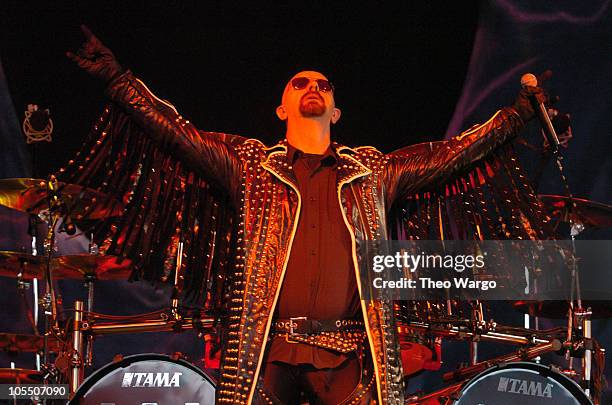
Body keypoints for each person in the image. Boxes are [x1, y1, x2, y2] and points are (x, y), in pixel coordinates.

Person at [67, 26, 546, 405]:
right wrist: (118, 81)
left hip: (349, 358)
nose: (313, 87)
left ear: (335, 111)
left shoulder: (374, 172)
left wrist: (516, 117)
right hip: (265, 353)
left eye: (323, 85)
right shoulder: (252, 167)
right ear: (283, 106)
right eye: (301, 83)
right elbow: (176, 133)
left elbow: (453, 154)